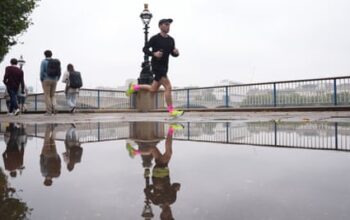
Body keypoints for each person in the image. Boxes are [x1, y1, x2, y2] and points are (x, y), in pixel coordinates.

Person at [126, 18, 184, 117]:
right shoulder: (155, 38)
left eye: (169, 25)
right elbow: (144, 49)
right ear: (160, 26)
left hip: (165, 67)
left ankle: (134, 87)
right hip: (157, 67)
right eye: (166, 24)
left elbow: (172, 53)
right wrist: (154, 54)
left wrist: (176, 53)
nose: (168, 26)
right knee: (168, 87)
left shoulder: (171, 40)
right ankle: (171, 111)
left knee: (153, 89)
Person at [126, 123, 183, 220]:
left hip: (158, 173)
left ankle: (171, 128)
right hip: (163, 170)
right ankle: (135, 152)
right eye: (170, 216)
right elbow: (175, 184)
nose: (168, 214)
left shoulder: (156, 201)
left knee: (168, 153)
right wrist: (177, 187)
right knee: (153, 149)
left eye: (166, 216)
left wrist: (154, 187)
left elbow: (146, 190)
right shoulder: (172, 199)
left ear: (162, 215)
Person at [40, 50, 61, 115]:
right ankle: (55, 107)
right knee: (52, 95)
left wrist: (42, 79)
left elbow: (42, 72)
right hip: (55, 80)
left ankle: (49, 112)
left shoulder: (44, 62)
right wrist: (57, 79)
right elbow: (60, 71)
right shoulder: (56, 62)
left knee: (47, 95)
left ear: (45, 55)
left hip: (46, 80)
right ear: (51, 55)